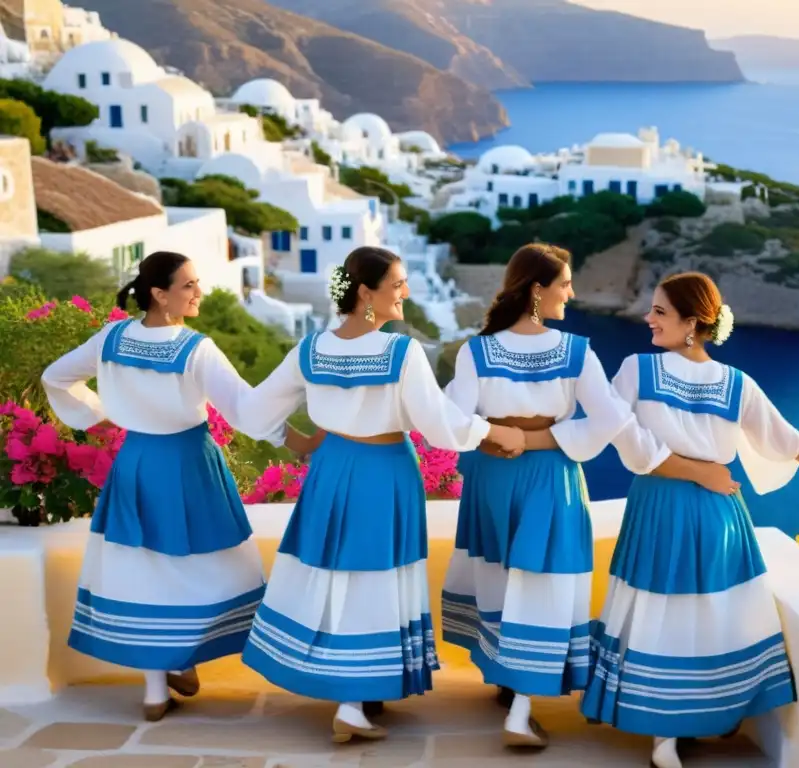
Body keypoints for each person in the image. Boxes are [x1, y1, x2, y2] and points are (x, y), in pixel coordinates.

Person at [581, 271, 799, 768]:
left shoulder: (649, 373)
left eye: (660, 311)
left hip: (675, 506)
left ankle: (673, 728)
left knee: (674, 610)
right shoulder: (712, 380)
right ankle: (681, 725)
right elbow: (788, 445)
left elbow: (790, 444)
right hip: (705, 507)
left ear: (692, 324)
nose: (648, 318)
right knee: (696, 612)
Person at [234, 246, 525, 744]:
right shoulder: (400, 352)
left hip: (331, 469)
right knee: (375, 576)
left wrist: (298, 441)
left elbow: (253, 413)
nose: (405, 293)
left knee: (335, 573)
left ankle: (352, 692)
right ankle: (355, 700)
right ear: (366, 293)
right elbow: (438, 425)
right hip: (385, 470)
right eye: (397, 284)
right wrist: (494, 432)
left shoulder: (311, 349)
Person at [440, 244, 723, 750]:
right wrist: (688, 468)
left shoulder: (474, 350)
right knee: (544, 588)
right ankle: (522, 710)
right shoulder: (576, 352)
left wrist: (500, 434)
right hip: (550, 477)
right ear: (536, 290)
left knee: (501, 579)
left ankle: (510, 686)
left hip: (491, 475)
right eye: (565, 283)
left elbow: (450, 423)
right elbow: (614, 422)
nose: (572, 292)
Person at [40, 252, 315, 722]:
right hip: (189, 463)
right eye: (188, 285)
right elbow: (244, 409)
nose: (198, 292)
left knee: (144, 567)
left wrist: (98, 415)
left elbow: (55, 376)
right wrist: (298, 441)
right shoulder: (195, 348)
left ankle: (155, 689)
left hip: (137, 462)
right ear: (159, 294)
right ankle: (182, 658)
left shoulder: (112, 338)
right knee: (209, 565)